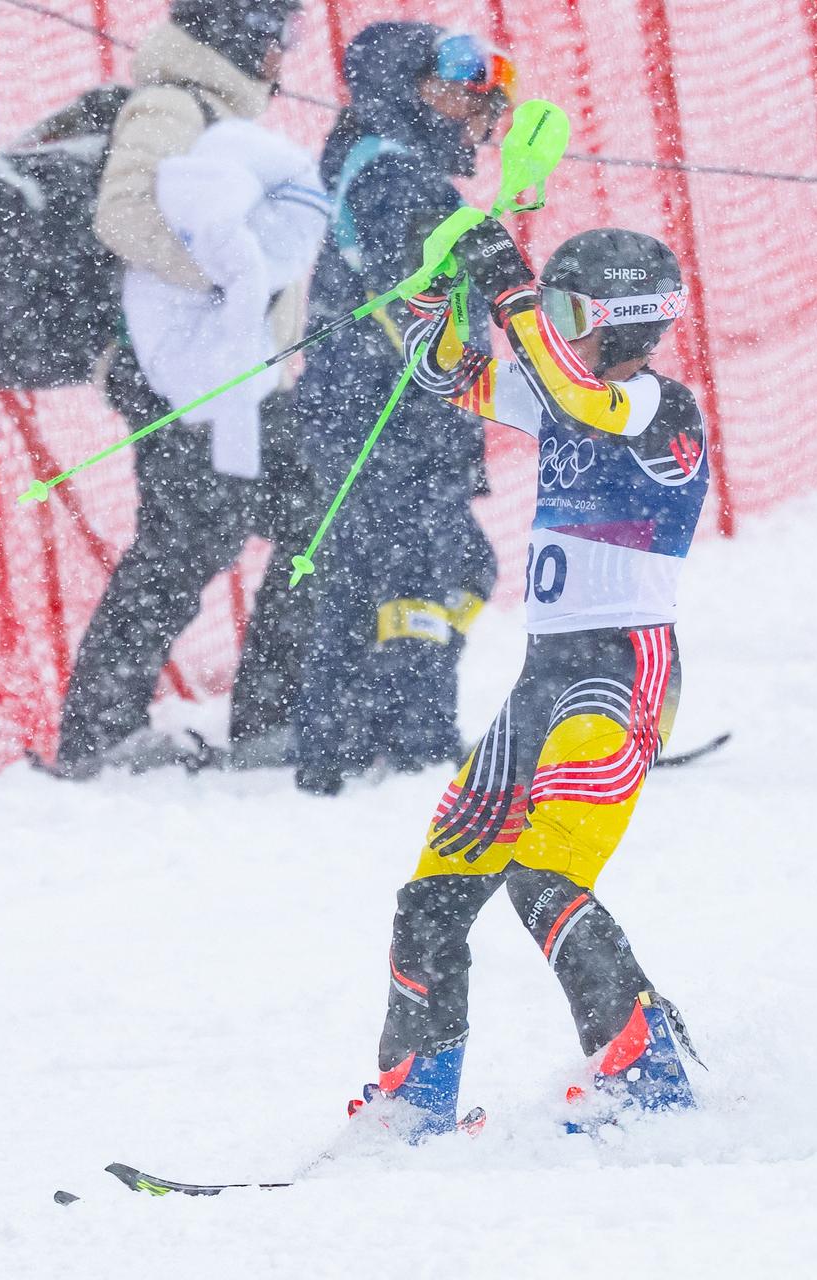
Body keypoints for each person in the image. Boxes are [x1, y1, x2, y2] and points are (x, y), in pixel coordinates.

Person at [347, 220, 711, 1138]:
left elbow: (584, 402)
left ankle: (650, 1073)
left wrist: (511, 295)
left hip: (622, 673)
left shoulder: (661, 411)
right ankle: (415, 1096)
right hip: (546, 677)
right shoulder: (561, 392)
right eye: (550, 307)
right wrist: (444, 293)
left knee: (544, 878)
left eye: (567, 311)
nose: (551, 324)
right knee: (434, 889)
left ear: (625, 322)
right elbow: (444, 376)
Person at [43, 0, 331, 778]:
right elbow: (125, 215)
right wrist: (234, 282)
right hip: (182, 380)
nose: (285, 56)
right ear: (237, 33)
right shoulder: (172, 105)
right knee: (186, 543)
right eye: (278, 37)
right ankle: (100, 735)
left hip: (234, 377)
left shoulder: (219, 112)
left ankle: (273, 719)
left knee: (315, 517)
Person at [289, 23, 512, 796]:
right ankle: (414, 743)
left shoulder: (383, 163)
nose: (475, 108)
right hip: (385, 417)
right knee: (427, 573)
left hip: (372, 412)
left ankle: (338, 742)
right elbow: (415, 299)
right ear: (409, 89)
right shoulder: (396, 178)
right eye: (458, 87)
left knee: (376, 574)